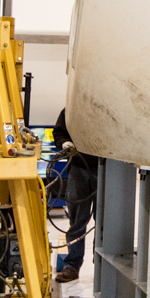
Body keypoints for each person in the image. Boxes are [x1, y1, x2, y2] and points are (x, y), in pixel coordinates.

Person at [49, 108, 100, 283]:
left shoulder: (109, 106)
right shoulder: (72, 108)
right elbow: (59, 132)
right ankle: (72, 265)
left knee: (106, 222)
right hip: (78, 168)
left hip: (107, 167)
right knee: (77, 220)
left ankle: (103, 266)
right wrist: (65, 143)